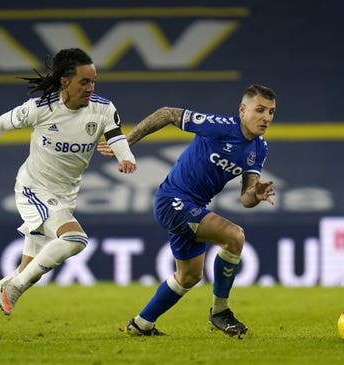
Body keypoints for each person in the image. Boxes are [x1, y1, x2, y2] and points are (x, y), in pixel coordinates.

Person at [0, 48, 137, 339]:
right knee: (75, 239)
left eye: (94, 81)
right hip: (34, 189)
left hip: (64, 194)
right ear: (64, 81)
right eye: (84, 82)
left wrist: (127, 156)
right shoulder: (41, 108)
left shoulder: (103, 108)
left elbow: (116, 136)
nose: (91, 88)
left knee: (29, 270)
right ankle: (14, 289)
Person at [98, 84, 277, 338]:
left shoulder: (259, 149)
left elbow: (246, 197)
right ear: (242, 110)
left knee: (189, 276)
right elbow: (169, 113)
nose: (266, 117)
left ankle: (141, 324)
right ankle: (220, 311)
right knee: (235, 236)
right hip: (173, 201)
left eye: (271, 112)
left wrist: (256, 195)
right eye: (260, 110)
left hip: (193, 208)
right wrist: (127, 141)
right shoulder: (220, 126)